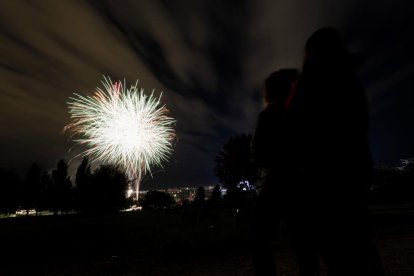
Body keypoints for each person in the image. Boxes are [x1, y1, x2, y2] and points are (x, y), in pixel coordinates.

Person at [285, 27, 385, 276]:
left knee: (337, 252)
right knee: (360, 247)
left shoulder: (309, 84)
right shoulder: (350, 81)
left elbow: (295, 132)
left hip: (321, 180)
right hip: (352, 174)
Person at [249, 69, 320, 276]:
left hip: (277, 183)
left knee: (258, 237)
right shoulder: (308, 114)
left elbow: (260, 153)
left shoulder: (270, 115)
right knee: (304, 242)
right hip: (304, 184)